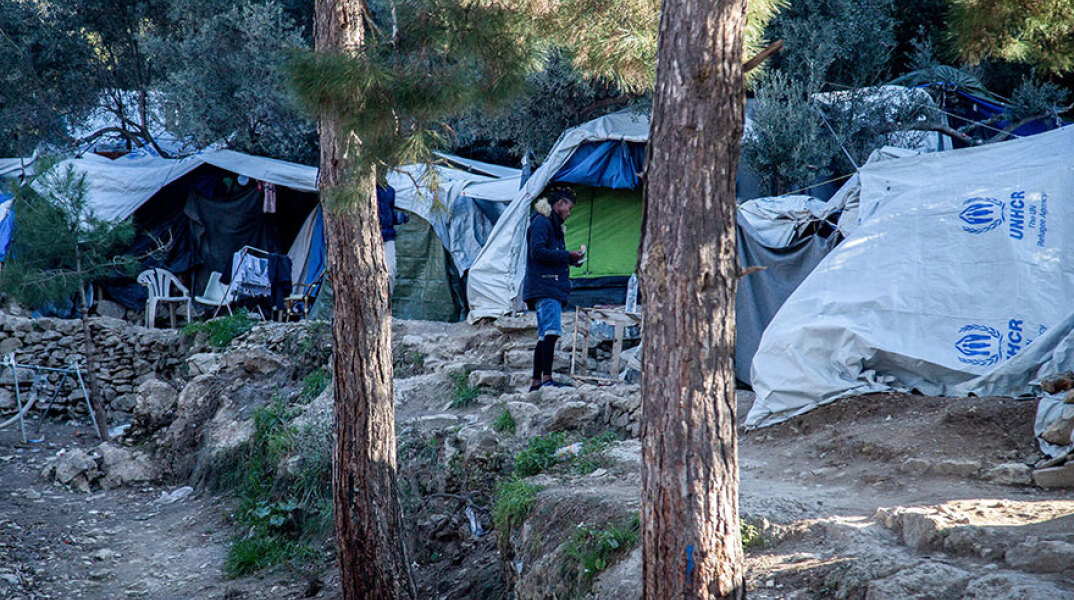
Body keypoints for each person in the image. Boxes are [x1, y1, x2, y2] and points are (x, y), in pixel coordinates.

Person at [523, 186, 585, 392]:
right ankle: (547, 379)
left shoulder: (551, 224)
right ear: (560, 203)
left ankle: (536, 382)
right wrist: (567, 255)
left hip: (547, 284)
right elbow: (537, 251)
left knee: (544, 335)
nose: (569, 213)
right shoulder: (542, 222)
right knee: (551, 332)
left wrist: (570, 260)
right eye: (569, 208)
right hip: (546, 285)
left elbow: (548, 254)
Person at [377, 184, 407, 294]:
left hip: (388, 237)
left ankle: (386, 299)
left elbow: (388, 212)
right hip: (367, 239)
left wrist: (398, 217)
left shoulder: (389, 190)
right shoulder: (359, 189)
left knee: (390, 270)